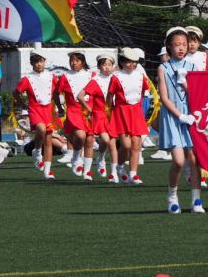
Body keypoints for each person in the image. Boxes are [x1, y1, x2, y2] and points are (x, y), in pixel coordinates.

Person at [158, 26, 205, 213]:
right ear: (169, 46)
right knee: (178, 161)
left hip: (191, 116)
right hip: (173, 116)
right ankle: (172, 196)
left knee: (194, 160)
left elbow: (199, 94)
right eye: (177, 44)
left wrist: (187, 86)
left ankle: (196, 200)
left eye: (184, 44)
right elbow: (164, 98)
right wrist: (180, 115)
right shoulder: (163, 68)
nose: (181, 48)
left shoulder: (193, 67)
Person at [108, 47, 151, 184]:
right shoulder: (116, 77)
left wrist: (138, 108)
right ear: (121, 62)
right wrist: (111, 112)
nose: (132, 64)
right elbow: (109, 97)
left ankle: (133, 174)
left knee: (136, 145)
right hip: (121, 112)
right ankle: (120, 166)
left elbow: (143, 92)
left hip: (136, 112)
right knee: (126, 145)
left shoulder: (140, 76)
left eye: (134, 62)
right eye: (128, 61)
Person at [13, 49, 58, 179]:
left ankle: (47, 171)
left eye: (41, 61)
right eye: (36, 62)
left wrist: (60, 107)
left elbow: (58, 92)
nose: (39, 64)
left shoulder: (52, 77)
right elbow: (16, 93)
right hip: (35, 109)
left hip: (48, 110)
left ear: (44, 61)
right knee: (41, 129)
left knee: (48, 140)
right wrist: (22, 104)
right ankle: (37, 151)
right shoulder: (27, 79)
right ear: (31, 63)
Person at [78, 53, 119, 182]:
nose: (107, 67)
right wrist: (89, 109)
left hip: (113, 114)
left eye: (109, 65)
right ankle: (100, 158)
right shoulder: (95, 81)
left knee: (112, 143)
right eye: (104, 65)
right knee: (106, 140)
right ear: (99, 66)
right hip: (100, 115)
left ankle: (113, 174)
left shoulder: (116, 78)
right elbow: (80, 96)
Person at [55, 50, 94, 178]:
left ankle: (87, 172)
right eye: (71, 60)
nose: (73, 63)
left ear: (83, 62)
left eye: (77, 60)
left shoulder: (92, 75)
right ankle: (76, 157)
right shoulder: (65, 77)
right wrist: (60, 108)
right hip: (74, 111)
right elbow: (56, 93)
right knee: (81, 136)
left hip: (89, 111)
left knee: (89, 141)